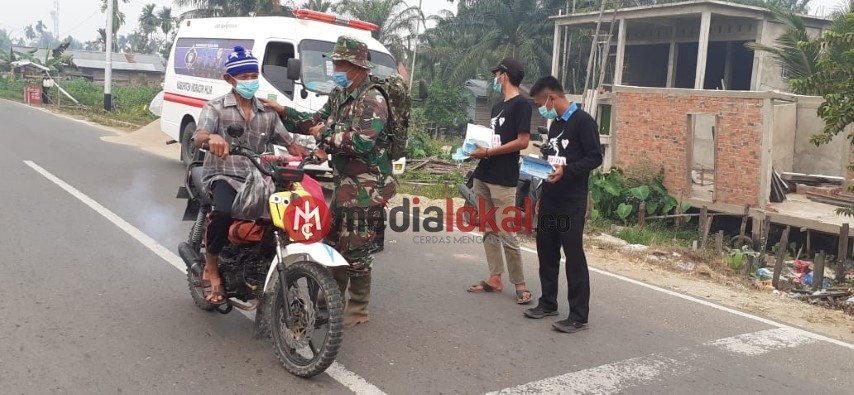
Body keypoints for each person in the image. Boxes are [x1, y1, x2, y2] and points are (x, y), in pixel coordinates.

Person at [262, 36, 396, 327]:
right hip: (346, 181)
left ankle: (358, 310)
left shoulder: (372, 99)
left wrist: (324, 135)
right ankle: (330, 300)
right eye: (335, 62)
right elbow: (315, 120)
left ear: (356, 66)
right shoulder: (340, 93)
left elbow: (361, 142)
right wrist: (285, 113)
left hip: (369, 185)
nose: (334, 67)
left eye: (339, 63)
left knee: (357, 248)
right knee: (333, 239)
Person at [191, 46, 307, 305]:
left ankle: (261, 261)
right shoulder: (216, 108)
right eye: (244, 78)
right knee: (222, 211)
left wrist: (310, 153)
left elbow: (290, 143)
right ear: (229, 80)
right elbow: (198, 135)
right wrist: (211, 138)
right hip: (223, 173)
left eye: (253, 75)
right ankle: (211, 267)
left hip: (259, 176)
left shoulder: (267, 112)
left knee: (282, 215)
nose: (250, 81)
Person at [524, 76, 602, 333]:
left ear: (552, 97)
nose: (540, 108)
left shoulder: (583, 121)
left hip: (571, 201)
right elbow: (552, 162)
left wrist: (566, 172)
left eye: (540, 103)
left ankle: (579, 315)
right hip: (551, 199)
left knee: (573, 256)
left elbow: (594, 158)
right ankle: (548, 303)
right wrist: (541, 196)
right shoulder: (556, 124)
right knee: (546, 251)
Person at [465, 58, 533, 304]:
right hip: (484, 174)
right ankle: (495, 277)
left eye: (497, 74)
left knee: (507, 230)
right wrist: (476, 149)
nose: (495, 78)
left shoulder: (521, 105)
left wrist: (488, 153)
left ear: (504, 75)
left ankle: (520, 284)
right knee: (488, 228)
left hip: (504, 178)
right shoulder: (497, 108)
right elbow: (494, 141)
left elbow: (522, 142)